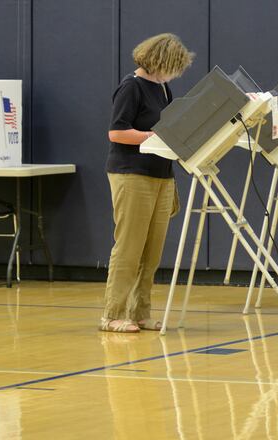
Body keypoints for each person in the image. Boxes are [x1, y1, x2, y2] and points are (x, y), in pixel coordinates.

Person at [100, 33, 194, 333]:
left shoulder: (163, 88)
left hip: (161, 175)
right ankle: (112, 314)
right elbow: (116, 133)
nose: (175, 73)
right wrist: (153, 137)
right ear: (159, 61)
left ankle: (140, 312)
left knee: (152, 252)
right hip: (132, 174)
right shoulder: (132, 87)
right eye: (173, 67)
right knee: (129, 247)